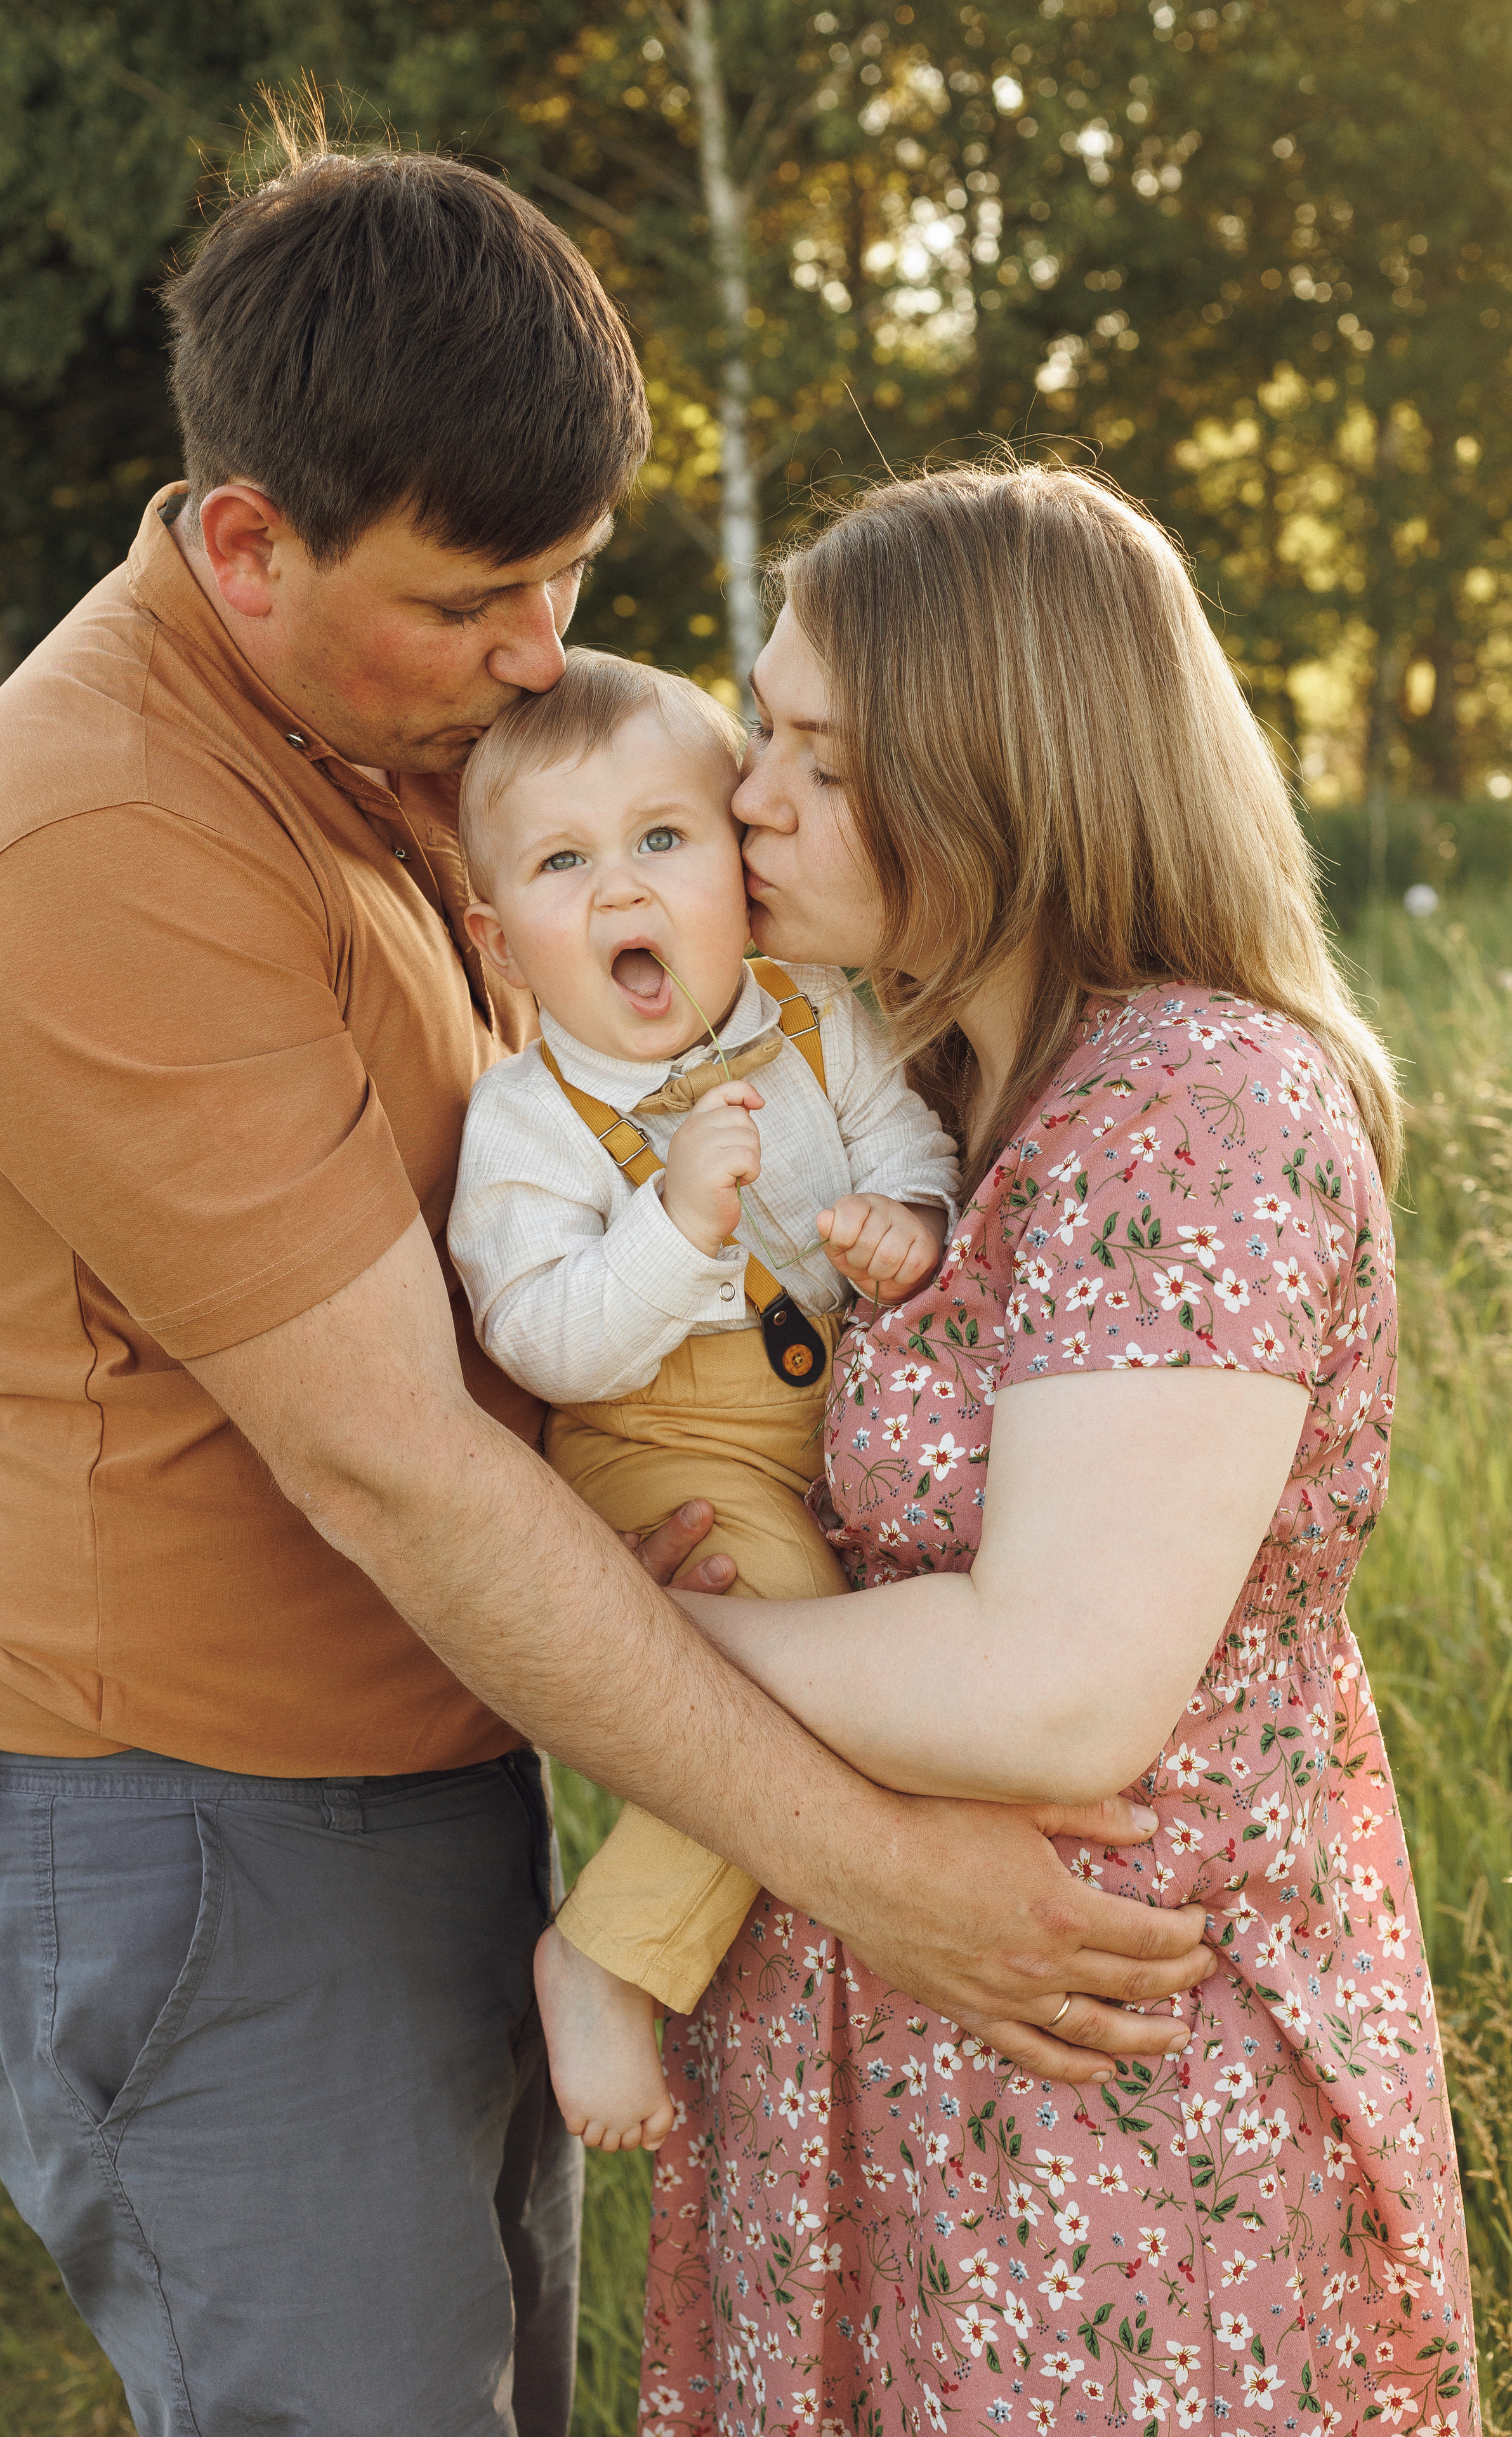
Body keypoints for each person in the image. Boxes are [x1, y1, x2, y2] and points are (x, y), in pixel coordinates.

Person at [0, 146, 1214, 2437]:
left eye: (571, 580)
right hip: (210, 1828)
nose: (545, 657)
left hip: (464, 1753)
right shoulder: (99, 844)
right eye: (482, 595)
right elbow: (395, 1463)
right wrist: (884, 1874)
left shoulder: (383, 734)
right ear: (245, 547)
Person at [639, 464, 1479, 2436]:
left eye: (822, 760)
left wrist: (624, 1638)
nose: (752, 792)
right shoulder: (924, 1093)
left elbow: (1053, 1688)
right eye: (764, 725)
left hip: (1123, 2129)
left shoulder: (1200, 1102)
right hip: (898, 2074)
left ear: (1007, 776)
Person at [447, 649, 959, 2153]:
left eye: (662, 840)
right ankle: (604, 1956)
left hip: (813, 1427)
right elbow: (542, 1341)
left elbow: (905, 1137)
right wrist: (670, 1229)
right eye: (563, 863)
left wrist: (906, 1221)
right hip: (657, 1446)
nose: (621, 893)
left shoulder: (815, 1017)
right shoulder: (528, 1123)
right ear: (497, 942)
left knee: (867, 1645)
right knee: (784, 1655)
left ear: (737, 866)